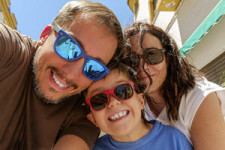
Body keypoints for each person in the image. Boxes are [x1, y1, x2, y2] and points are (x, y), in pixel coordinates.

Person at [0, 1, 123, 149]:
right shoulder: (10, 51)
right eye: (69, 46)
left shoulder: (83, 116)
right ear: (45, 36)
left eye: (93, 67)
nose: (71, 74)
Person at [123, 21, 225, 150]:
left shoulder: (199, 98)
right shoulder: (137, 106)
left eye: (152, 55)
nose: (142, 68)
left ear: (168, 58)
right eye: (132, 60)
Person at [85, 62, 193, 150]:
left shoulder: (174, 139)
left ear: (141, 101)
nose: (113, 102)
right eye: (99, 100)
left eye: (122, 91)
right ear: (93, 119)